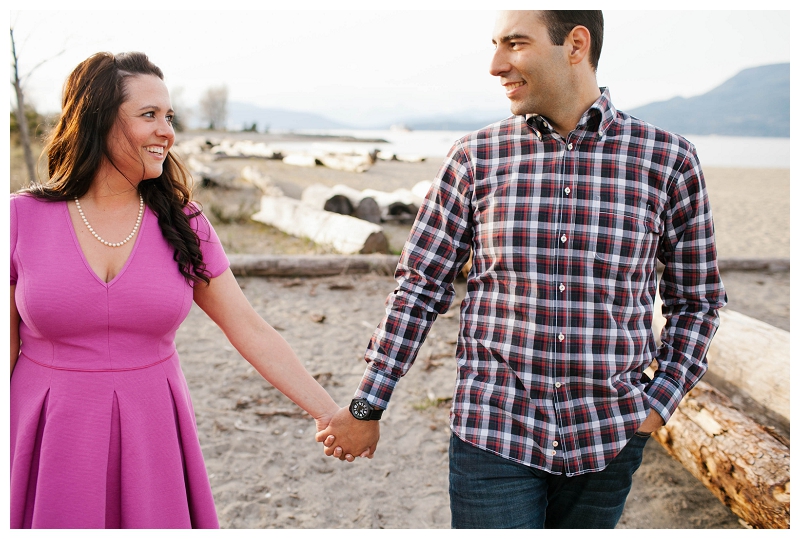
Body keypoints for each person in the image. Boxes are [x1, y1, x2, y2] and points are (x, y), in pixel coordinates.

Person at [317, 10, 727, 529]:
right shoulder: (474, 158)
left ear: (575, 45)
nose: (495, 65)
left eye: (514, 44)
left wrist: (658, 402)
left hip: (608, 439)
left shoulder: (668, 160)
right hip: (493, 434)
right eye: (496, 45)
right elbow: (420, 287)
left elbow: (698, 300)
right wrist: (366, 406)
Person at [9, 51, 340, 529]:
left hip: (152, 432)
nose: (167, 131)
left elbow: (249, 328)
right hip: (44, 432)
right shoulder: (19, 218)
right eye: (149, 115)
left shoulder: (186, 224)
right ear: (97, 121)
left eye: (170, 116)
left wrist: (330, 413)